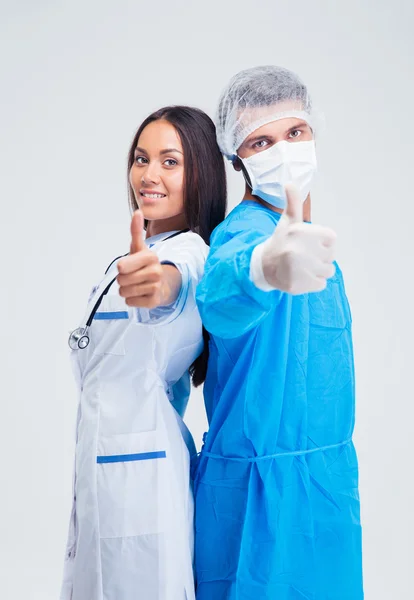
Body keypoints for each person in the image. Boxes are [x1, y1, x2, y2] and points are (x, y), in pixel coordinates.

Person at [194, 66, 364, 599]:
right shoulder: (246, 236)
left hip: (326, 486)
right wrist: (263, 267)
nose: (285, 150)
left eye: (295, 133)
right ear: (239, 159)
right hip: (255, 500)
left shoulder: (311, 243)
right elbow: (219, 298)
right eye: (262, 141)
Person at [60, 106, 227, 600]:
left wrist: (157, 285)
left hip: (143, 482)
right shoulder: (132, 255)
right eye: (141, 158)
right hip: (109, 464)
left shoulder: (189, 252)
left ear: (200, 172)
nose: (148, 175)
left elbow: (169, 286)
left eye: (170, 162)